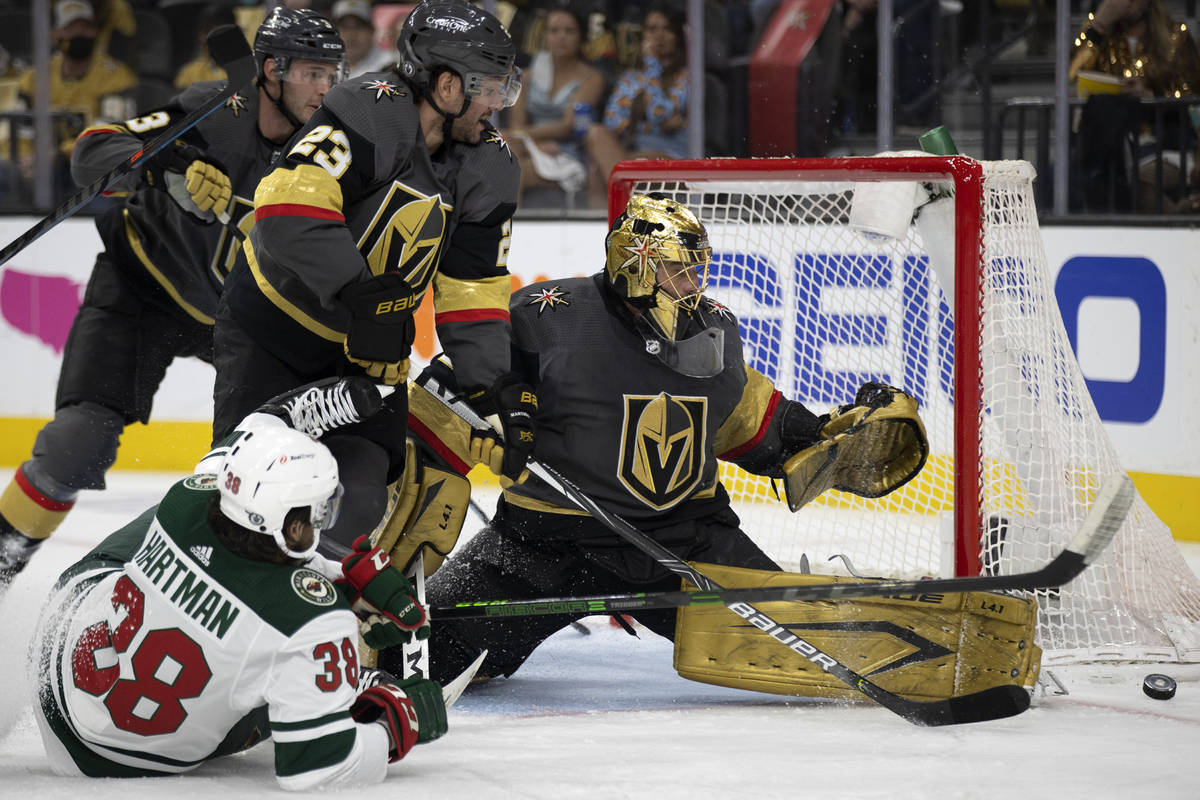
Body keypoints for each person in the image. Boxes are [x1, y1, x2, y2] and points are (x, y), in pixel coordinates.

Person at [392, 193, 929, 685]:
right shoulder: (547, 318)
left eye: (697, 270)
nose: (693, 284)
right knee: (412, 656)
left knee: (812, 647)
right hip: (544, 542)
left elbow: (746, 419)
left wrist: (817, 435)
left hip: (684, 543)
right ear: (636, 262)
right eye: (677, 269)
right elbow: (448, 403)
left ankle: (924, 642)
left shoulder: (713, 330)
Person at [0, 8, 346, 595]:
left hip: (240, 321)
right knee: (75, 445)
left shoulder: (329, 147)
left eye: (334, 74)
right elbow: (94, 149)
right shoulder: (215, 109)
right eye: (313, 73)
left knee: (275, 466)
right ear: (271, 70)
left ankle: (271, 601)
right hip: (142, 287)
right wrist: (171, 167)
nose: (326, 89)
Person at [212, 0, 536, 561]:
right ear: (446, 84)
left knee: (361, 495)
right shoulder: (371, 111)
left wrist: (493, 390)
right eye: (487, 86)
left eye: (504, 88)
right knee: (252, 494)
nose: (496, 104)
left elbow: (473, 294)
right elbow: (287, 208)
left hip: (370, 355)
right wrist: (363, 300)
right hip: (274, 331)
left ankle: (322, 623)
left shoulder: (491, 166)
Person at [32, 378, 448, 790]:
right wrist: (395, 725)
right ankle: (333, 683)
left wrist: (336, 575)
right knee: (283, 662)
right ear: (289, 523)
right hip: (131, 762)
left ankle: (318, 676)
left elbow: (259, 427)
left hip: (55, 660)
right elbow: (319, 771)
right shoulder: (312, 621)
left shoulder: (187, 501)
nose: (324, 522)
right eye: (319, 512)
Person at [1070, 0, 1200, 211]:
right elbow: (1070, 74)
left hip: (1165, 139)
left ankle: (1179, 217)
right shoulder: (1098, 34)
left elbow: (1193, 97)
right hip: (1111, 139)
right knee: (1067, 172)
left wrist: (1151, 96)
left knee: (1141, 178)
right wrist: (1099, 25)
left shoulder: (1176, 35)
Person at [15, 0, 137, 196]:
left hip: (93, 173)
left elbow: (108, 135)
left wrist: (60, 155)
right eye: (70, 28)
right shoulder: (33, 78)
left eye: (86, 27)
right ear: (55, 35)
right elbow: (19, 132)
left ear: (95, 32)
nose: (80, 34)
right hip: (37, 172)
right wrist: (25, 158)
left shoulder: (117, 77)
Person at [583, 4, 689, 208]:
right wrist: (642, 120)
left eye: (666, 29)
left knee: (608, 168)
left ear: (677, 35)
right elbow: (613, 123)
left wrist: (651, 64)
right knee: (597, 134)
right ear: (643, 35)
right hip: (632, 154)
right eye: (652, 29)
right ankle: (605, 223)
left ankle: (627, 215)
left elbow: (659, 114)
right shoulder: (630, 78)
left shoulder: (686, 77)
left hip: (672, 156)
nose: (659, 35)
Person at [504, 4, 605, 204]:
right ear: (545, 36)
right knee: (505, 147)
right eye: (554, 31)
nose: (561, 37)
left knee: (514, 167)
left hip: (568, 151)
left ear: (581, 36)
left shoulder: (592, 77)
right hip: (532, 145)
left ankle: (509, 227)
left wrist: (524, 137)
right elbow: (516, 125)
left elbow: (568, 125)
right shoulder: (527, 75)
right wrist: (532, 143)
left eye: (569, 31)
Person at [333, 0, 395, 79]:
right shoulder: (326, 63)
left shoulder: (389, 65)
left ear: (372, 31)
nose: (351, 34)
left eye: (358, 26)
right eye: (344, 27)